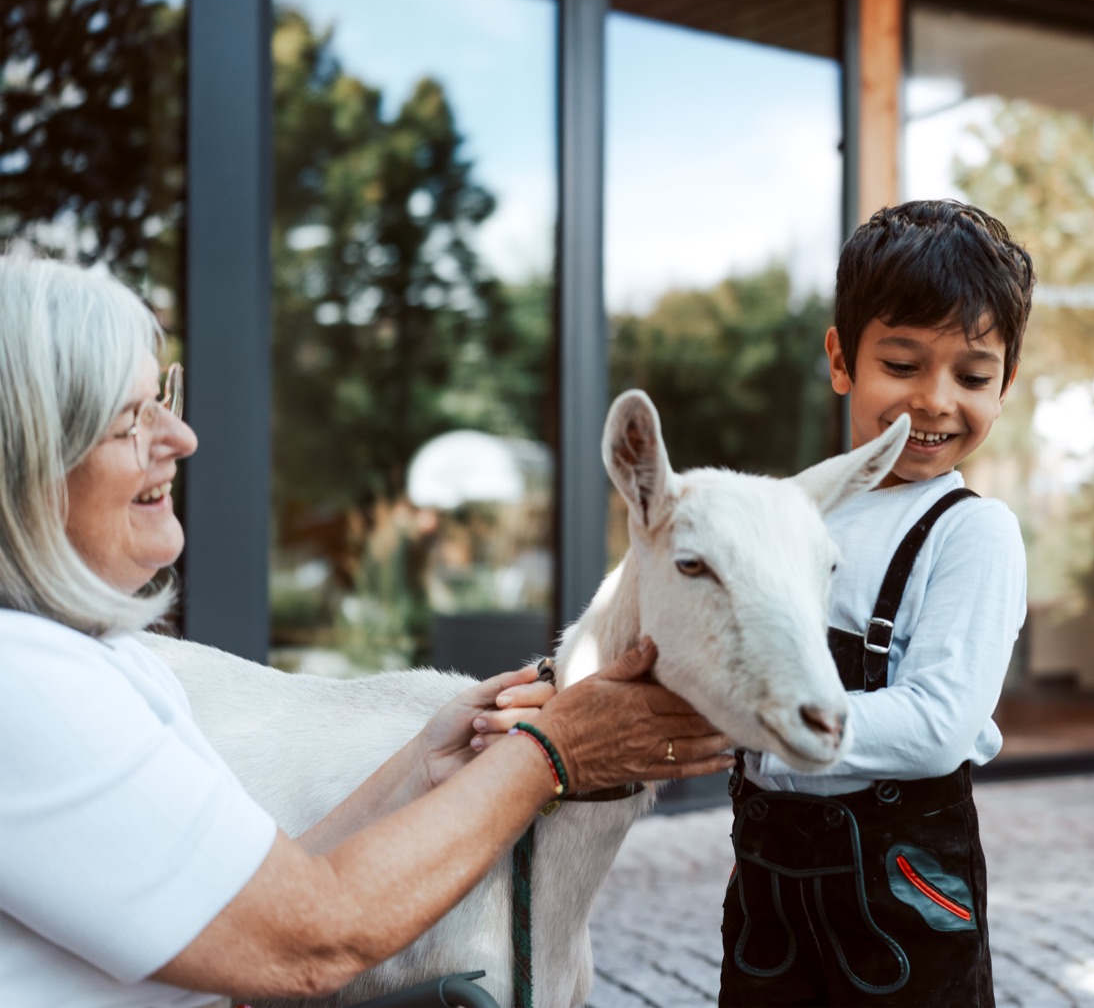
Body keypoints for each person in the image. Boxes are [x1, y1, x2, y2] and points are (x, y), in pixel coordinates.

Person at [0, 247, 736, 1008]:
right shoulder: (27, 688)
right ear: (27, 460)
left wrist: (425, 764)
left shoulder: (89, 656)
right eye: (132, 419)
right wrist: (554, 753)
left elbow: (255, 896)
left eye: (165, 396)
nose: (181, 437)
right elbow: (305, 940)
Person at [718, 199, 1032, 1006]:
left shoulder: (973, 532)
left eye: (972, 376)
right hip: (768, 893)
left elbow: (938, 724)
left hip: (903, 894)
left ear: (1006, 385)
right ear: (841, 360)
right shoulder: (791, 511)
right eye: (901, 364)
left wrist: (767, 723)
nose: (935, 400)